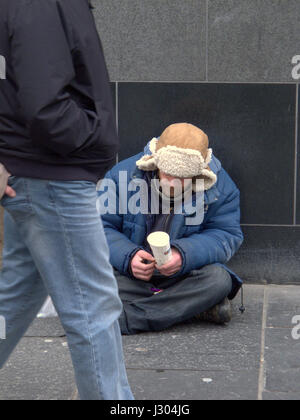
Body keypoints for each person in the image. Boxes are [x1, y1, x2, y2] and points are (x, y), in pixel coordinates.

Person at [0, 0, 133, 400]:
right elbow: (45, 106)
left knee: (16, 294)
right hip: (51, 174)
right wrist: (94, 141)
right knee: (94, 307)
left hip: (36, 170)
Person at [99, 123, 244, 335]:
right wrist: (128, 257)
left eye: (183, 177)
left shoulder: (221, 186)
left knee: (218, 280)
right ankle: (190, 308)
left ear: (200, 172)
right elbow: (99, 226)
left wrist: (183, 255)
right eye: (167, 174)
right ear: (154, 162)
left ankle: (129, 318)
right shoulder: (122, 175)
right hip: (131, 275)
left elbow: (226, 235)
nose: (173, 182)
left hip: (184, 274)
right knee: (85, 279)